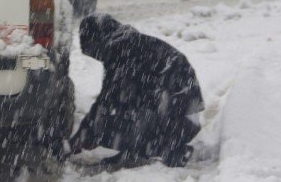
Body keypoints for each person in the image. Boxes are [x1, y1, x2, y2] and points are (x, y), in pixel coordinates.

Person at [69, 13, 204, 167]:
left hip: (177, 118)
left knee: (109, 123)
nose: (97, 58)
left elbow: (107, 100)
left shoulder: (123, 52)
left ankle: (160, 150)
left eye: (94, 51)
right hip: (185, 115)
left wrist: (81, 138)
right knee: (120, 113)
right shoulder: (130, 44)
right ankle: (154, 148)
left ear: (99, 41)